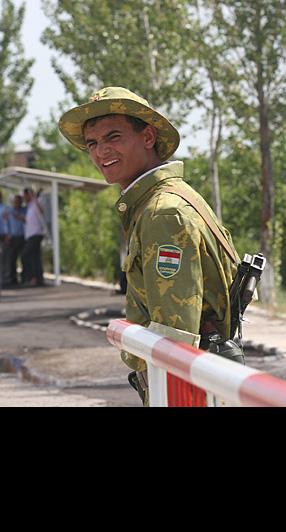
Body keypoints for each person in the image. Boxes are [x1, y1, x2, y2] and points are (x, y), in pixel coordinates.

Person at [58, 86, 240, 406]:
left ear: (148, 137)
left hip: (186, 391)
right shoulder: (162, 202)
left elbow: (175, 341)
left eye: (113, 137)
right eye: (93, 143)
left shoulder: (164, 213)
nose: (101, 152)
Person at [21, 187, 47, 286]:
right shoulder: (29, 206)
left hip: (36, 234)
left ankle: (33, 277)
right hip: (30, 235)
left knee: (26, 255)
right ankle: (38, 279)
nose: (24, 198)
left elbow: (41, 211)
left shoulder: (35, 203)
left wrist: (34, 198)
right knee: (35, 257)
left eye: (25, 195)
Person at [3, 193, 26, 286]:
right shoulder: (10, 211)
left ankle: (25, 277)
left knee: (24, 258)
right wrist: (7, 235)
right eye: (16, 201)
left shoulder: (25, 210)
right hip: (13, 237)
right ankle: (12, 278)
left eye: (19, 201)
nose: (17, 203)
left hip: (23, 237)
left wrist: (20, 218)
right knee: (12, 259)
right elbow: (6, 223)